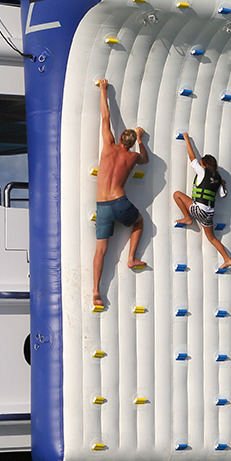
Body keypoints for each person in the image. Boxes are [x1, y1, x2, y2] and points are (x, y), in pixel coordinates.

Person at [92, 78, 149, 310]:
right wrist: (141, 139)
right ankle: (131, 257)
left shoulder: (108, 145)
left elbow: (105, 117)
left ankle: (96, 291)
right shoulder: (133, 156)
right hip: (120, 201)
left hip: (102, 205)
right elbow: (145, 159)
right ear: (132, 142)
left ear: (119, 138)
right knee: (139, 221)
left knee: (101, 250)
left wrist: (103, 89)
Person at [172, 132, 231, 271]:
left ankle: (188, 218)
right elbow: (223, 195)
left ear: (204, 165)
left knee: (177, 194)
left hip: (199, 210)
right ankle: (227, 259)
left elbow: (192, 158)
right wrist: (223, 184)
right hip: (209, 214)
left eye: (201, 163)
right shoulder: (218, 178)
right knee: (211, 238)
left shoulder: (202, 172)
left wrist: (187, 140)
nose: (199, 163)